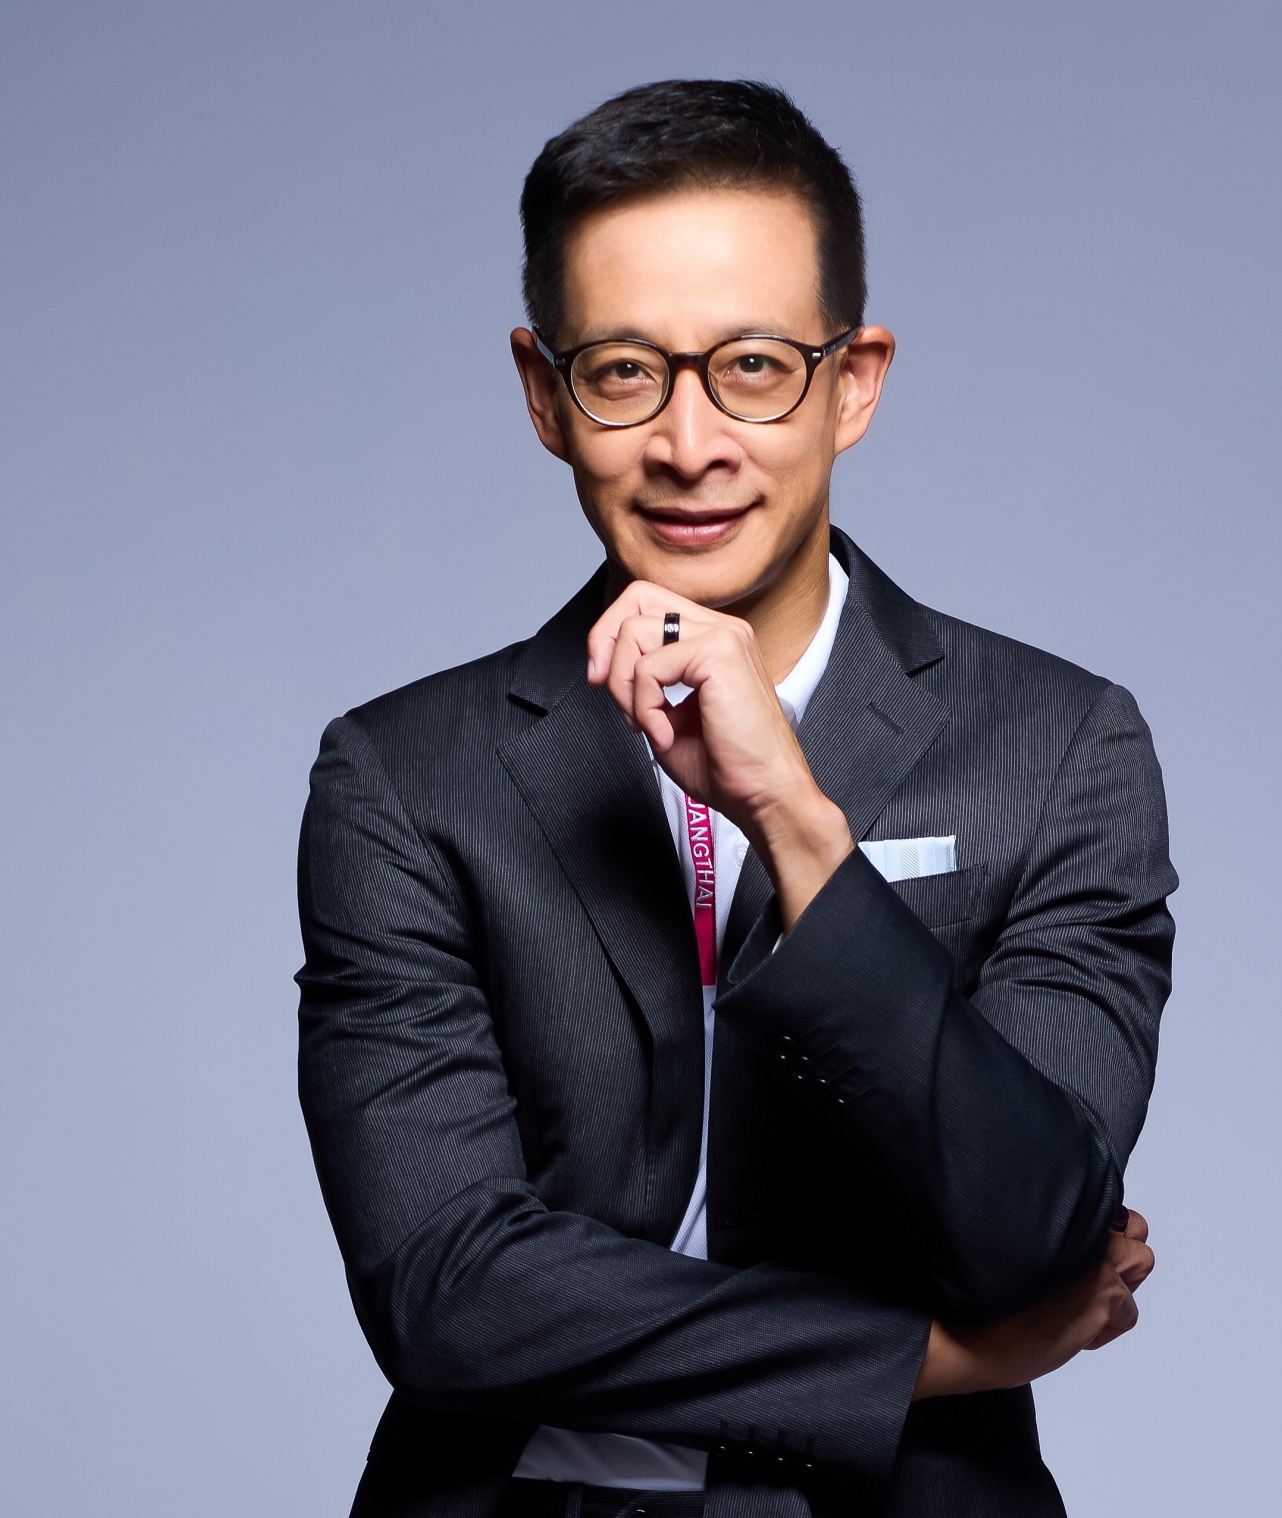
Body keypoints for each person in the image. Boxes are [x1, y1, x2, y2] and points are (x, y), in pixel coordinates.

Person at [297, 80, 1176, 1518]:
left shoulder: (1059, 745)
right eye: (624, 371)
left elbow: (1031, 1230)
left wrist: (803, 832)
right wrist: (929, 1361)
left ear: (854, 381)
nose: (690, 443)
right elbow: (449, 1293)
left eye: (755, 367)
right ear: (544, 394)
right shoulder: (407, 776)